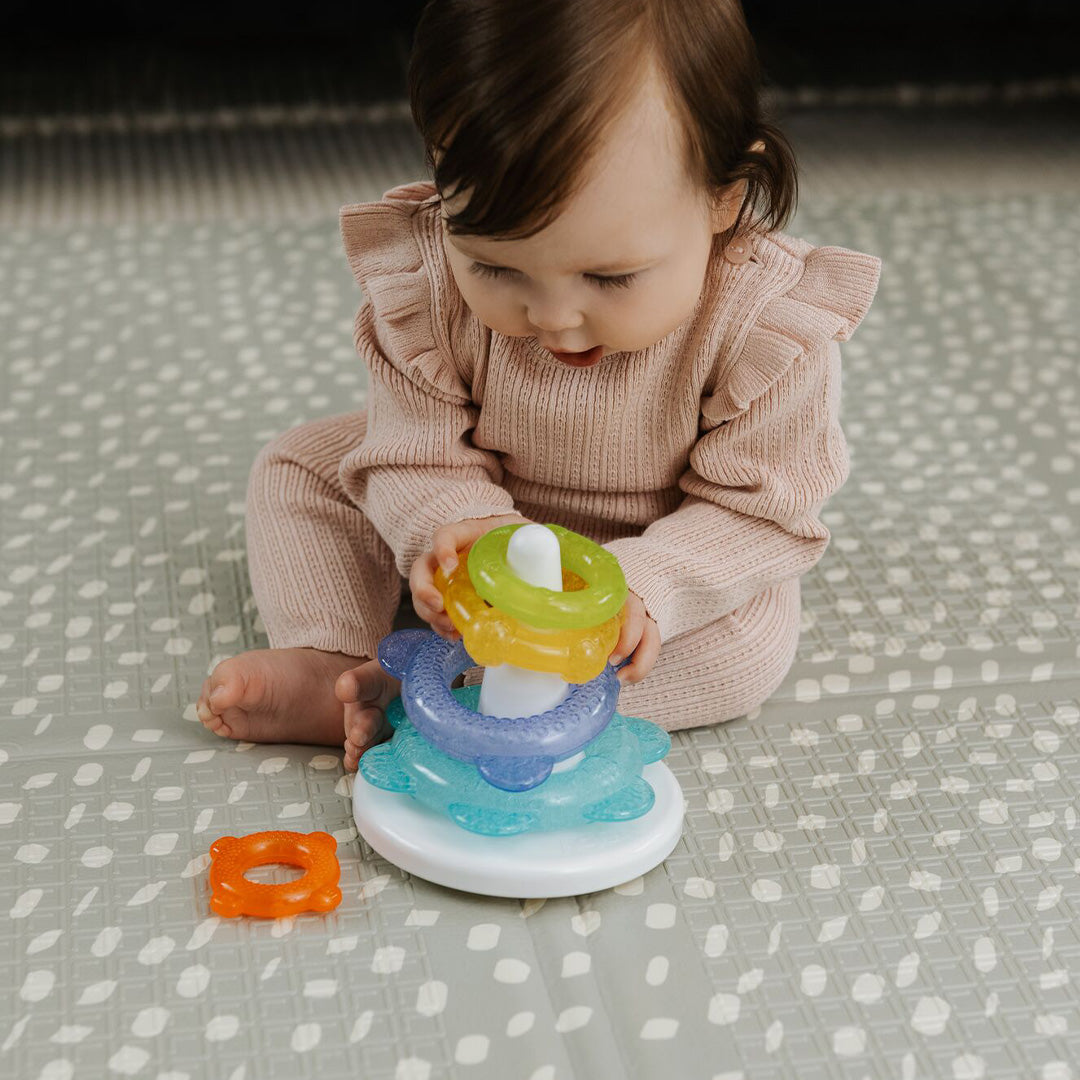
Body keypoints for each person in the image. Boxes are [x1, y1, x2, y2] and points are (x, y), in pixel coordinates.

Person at [196, 0, 882, 772]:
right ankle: (338, 659)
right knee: (300, 465)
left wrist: (649, 590)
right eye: (496, 266)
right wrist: (455, 529)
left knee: (741, 656)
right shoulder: (426, 289)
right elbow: (413, 451)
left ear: (725, 196)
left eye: (610, 276)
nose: (555, 318)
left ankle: (459, 698)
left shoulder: (767, 329)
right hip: (486, 524)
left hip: (656, 548)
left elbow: (760, 515)